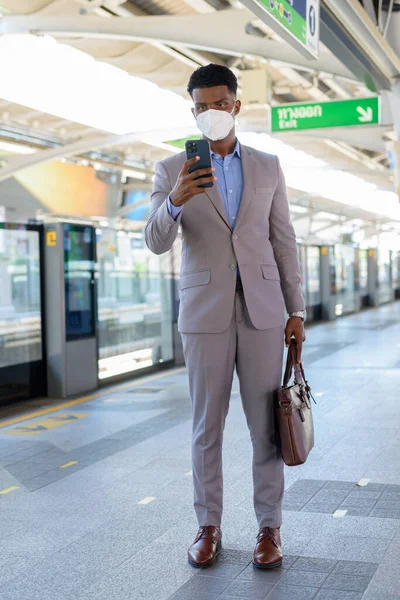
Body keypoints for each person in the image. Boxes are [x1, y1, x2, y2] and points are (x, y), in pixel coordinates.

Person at [145, 64, 305, 570]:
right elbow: (154, 241)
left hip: (263, 313)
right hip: (204, 314)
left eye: (219, 103)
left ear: (236, 105)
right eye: (200, 106)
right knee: (205, 428)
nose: (210, 113)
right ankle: (208, 526)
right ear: (191, 112)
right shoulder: (172, 170)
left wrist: (296, 309)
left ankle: (269, 529)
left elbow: (283, 240)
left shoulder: (268, 166)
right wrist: (175, 201)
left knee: (266, 427)